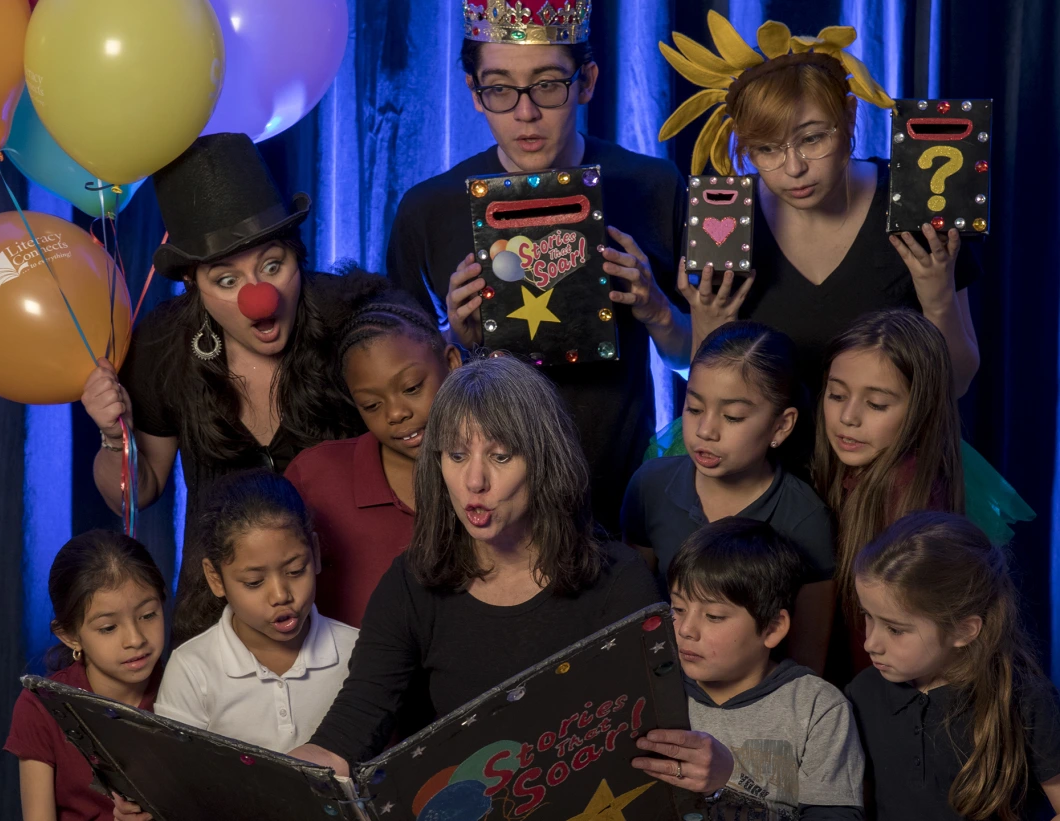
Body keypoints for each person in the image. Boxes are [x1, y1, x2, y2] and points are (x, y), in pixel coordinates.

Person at [386, 0, 691, 532]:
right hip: (484, 514)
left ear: (587, 80)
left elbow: (700, 364)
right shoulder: (427, 210)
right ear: (474, 92)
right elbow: (399, 402)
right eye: (500, 89)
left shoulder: (653, 186)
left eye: (548, 85)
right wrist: (454, 344)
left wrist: (658, 311)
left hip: (618, 509)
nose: (525, 114)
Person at [79, 133, 386, 643]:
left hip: (352, 614)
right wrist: (114, 436)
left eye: (272, 266)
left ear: (297, 257)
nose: (258, 298)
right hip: (220, 624)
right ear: (194, 284)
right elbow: (136, 495)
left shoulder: (349, 318)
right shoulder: (163, 344)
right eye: (226, 280)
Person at [288, 355, 661, 773]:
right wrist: (286, 781)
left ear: (544, 464)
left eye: (500, 456)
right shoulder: (412, 581)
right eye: (457, 455)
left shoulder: (619, 580)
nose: (474, 481)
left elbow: (649, 738)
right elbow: (355, 721)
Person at [661, 11, 982, 399]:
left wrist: (938, 297)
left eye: (812, 139)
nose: (794, 168)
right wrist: (708, 327)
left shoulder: (917, 201)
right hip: (771, 458)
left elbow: (958, 383)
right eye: (766, 149)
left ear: (848, 117)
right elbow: (710, 400)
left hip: (889, 455)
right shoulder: (724, 215)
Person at [112, 470, 357, 821]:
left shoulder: (357, 652)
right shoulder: (193, 668)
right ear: (216, 578)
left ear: (315, 554)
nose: (280, 595)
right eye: (254, 582)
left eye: (295, 570)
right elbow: (177, 789)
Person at [622, 321, 835, 673]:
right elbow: (634, 612)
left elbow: (808, 663)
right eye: (693, 408)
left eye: (733, 416)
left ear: (781, 426)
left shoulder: (805, 518)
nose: (706, 430)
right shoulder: (649, 487)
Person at [633, 518, 864, 819]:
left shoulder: (817, 709)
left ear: (772, 628)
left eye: (714, 616)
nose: (686, 629)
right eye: (677, 609)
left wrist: (726, 782)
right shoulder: (650, 692)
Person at [847, 512, 1060, 820]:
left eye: (895, 629)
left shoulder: (1026, 699)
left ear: (962, 630)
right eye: (868, 616)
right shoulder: (862, 694)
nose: (870, 643)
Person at [284, 291, 462, 627]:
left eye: (411, 388)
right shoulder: (315, 478)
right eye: (371, 405)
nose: (396, 413)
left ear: (451, 363)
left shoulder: (498, 467)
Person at [816, 309, 963, 680]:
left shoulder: (907, 494)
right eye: (836, 395)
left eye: (877, 404)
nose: (848, 417)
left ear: (921, 410)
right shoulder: (847, 470)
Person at [5, 531, 167, 821]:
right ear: (70, 635)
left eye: (148, 615)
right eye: (108, 628)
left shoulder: (191, 685)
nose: (135, 639)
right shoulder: (42, 706)